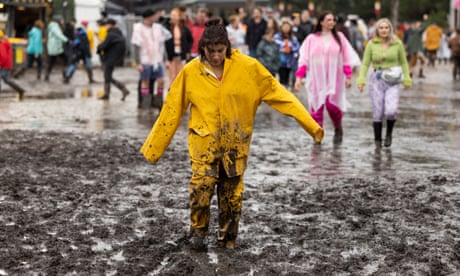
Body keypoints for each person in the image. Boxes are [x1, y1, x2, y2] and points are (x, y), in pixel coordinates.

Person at [140, 19, 323, 251]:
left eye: (220, 50)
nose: (215, 56)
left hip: (236, 142)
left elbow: (280, 95)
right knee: (201, 186)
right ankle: (198, 232)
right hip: (203, 141)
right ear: (202, 48)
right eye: (210, 51)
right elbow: (172, 109)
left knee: (232, 194)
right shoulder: (191, 72)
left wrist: (311, 125)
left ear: (227, 46)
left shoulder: (249, 68)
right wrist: (154, 147)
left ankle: (228, 239)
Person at [294, 11, 360, 144]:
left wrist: (347, 76)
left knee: (332, 106)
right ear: (321, 22)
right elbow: (304, 59)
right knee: (316, 106)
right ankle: (317, 134)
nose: (332, 22)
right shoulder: (311, 39)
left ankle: (338, 127)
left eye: (333, 20)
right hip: (316, 77)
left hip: (334, 78)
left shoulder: (339, 37)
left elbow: (346, 57)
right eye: (328, 20)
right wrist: (299, 78)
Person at [357, 18, 412, 148]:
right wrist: (361, 79)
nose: (384, 30)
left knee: (391, 111)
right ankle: (377, 141)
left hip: (393, 80)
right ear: (377, 30)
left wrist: (407, 78)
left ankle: (388, 133)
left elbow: (404, 62)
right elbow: (365, 63)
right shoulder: (371, 44)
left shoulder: (397, 44)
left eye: (386, 27)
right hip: (376, 80)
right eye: (381, 28)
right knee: (378, 112)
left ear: (390, 29)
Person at [131, 8, 171, 108]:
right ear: (149, 17)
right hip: (145, 60)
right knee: (146, 82)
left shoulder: (158, 27)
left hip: (157, 60)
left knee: (161, 81)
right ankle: (146, 104)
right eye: (155, 15)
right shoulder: (138, 28)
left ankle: (158, 102)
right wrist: (138, 63)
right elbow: (136, 46)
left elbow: (162, 44)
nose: (157, 17)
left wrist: (166, 59)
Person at [96, 18, 129, 101]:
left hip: (111, 58)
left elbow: (104, 45)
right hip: (115, 58)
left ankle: (123, 89)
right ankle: (107, 94)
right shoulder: (118, 33)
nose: (106, 26)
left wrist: (99, 48)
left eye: (107, 25)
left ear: (111, 25)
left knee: (107, 76)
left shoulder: (111, 34)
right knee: (107, 76)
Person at [164, 7, 193, 83]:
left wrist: (187, 51)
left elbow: (190, 40)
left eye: (175, 15)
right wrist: (165, 58)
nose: (173, 17)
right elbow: (164, 43)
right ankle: (172, 93)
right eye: (172, 15)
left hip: (181, 54)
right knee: (172, 76)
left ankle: (180, 93)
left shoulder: (184, 28)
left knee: (181, 76)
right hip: (171, 55)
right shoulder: (166, 28)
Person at [0, 30, 25, 99]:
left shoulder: (2, 44)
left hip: (3, 65)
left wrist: (0, 64)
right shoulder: (5, 43)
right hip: (6, 65)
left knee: (6, 80)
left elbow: (3, 57)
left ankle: (21, 91)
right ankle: (20, 90)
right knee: (7, 80)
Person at [274, 21, 300, 88]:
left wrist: (291, 49)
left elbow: (297, 47)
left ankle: (286, 90)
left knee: (288, 77)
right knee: (282, 78)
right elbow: (274, 46)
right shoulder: (277, 36)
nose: (286, 28)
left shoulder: (293, 38)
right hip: (280, 60)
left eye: (287, 27)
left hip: (290, 61)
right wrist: (281, 50)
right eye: (284, 26)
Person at [44, 15, 68, 82]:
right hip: (54, 48)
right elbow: (58, 35)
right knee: (53, 61)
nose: (63, 21)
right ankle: (64, 73)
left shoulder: (55, 26)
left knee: (62, 59)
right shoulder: (54, 27)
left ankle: (48, 75)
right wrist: (66, 40)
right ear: (58, 20)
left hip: (57, 48)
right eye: (61, 20)